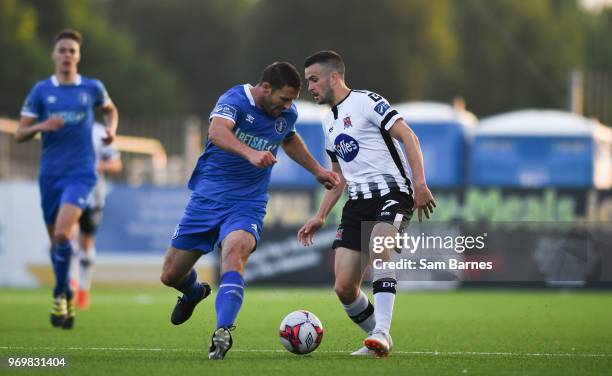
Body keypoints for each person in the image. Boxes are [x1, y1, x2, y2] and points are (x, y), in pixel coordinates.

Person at [159, 61, 340, 360]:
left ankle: (222, 331)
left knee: (235, 251)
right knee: (170, 274)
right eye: (284, 99)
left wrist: (318, 170)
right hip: (207, 198)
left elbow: (289, 137)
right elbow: (217, 132)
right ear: (265, 88)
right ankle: (193, 292)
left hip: (248, 202)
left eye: (292, 101)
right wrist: (250, 152)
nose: (287, 107)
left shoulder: (285, 113)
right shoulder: (234, 100)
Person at [298, 51, 435, 357]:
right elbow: (337, 177)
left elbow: (408, 136)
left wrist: (420, 183)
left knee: (380, 244)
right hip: (357, 203)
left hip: (393, 193)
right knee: (344, 287)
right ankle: (376, 339)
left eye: (314, 79)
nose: (309, 86)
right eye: (308, 81)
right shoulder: (327, 123)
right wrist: (320, 215)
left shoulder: (367, 101)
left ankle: (383, 332)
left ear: (335, 77)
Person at [16, 29, 119, 329]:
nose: (67, 56)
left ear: (78, 56)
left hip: (82, 173)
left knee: (63, 234)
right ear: (54, 55)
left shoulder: (91, 87)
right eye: (62, 50)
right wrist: (43, 125)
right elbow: (20, 133)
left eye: (72, 51)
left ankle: (61, 293)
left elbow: (111, 111)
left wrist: (112, 130)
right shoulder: (40, 92)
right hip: (50, 174)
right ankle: (66, 294)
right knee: (56, 243)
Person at [70, 122, 123, 309]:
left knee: (86, 243)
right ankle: (71, 285)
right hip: (68, 192)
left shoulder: (99, 132)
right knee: (67, 237)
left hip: (93, 196)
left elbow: (116, 164)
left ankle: (83, 290)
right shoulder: (65, 128)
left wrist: (96, 165)